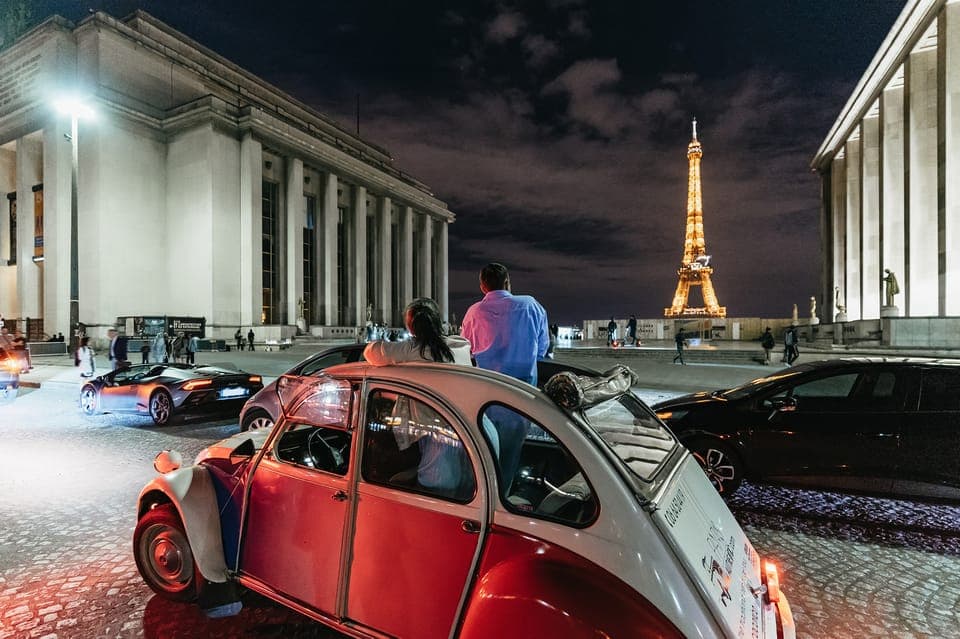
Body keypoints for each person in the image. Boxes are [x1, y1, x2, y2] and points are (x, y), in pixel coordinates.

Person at [364, 298, 473, 496]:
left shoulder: (412, 350)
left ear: (412, 328)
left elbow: (371, 351)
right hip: (473, 433)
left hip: (440, 441)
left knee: (436, 494)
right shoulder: (461, 346)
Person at [461, 262, 549, 491]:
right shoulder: (531, 306)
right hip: (519, 399)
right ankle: (503, 501)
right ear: (508, 282)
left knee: (482, 460)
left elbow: (465, 350)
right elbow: (542, 349)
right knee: (508, 461)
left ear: (482, 287)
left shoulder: (473, 312)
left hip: (483, 401)